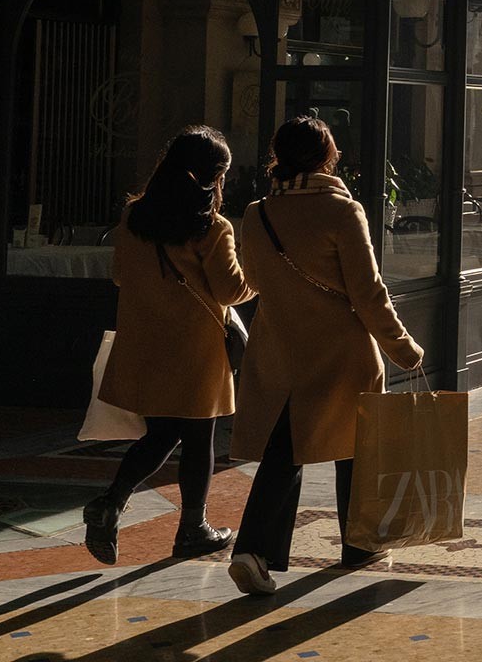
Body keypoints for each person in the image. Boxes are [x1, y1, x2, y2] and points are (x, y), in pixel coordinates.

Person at [229, 117, 425, 597]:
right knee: (355, 448)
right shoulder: (343, 210)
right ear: (327, 156)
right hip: (341, 351)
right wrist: (404, 348)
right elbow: (368, 292)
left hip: (278, 347)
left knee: (283, 451)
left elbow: (251, 281)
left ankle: (252, 550)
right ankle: (360, 545)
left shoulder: (257, 214)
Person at [82, 127, 253, 566]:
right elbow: (231, 290)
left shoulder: (134, 216)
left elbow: (120, 275)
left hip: (145, 342)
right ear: (211, 176)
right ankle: (192, 528)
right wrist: (259, 277)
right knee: (199, 438)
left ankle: (111, 503)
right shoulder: (212, 227)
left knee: (162, 432)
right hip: (195, 349)